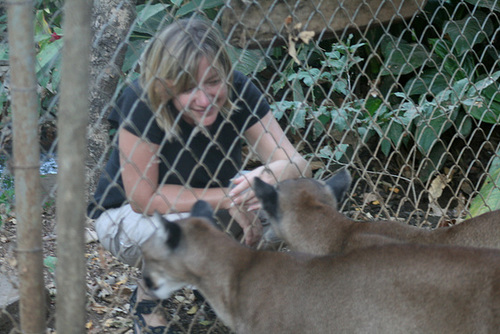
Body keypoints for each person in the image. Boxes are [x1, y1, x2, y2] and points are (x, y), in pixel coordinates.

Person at [87, 17, 311, 333]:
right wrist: (229, 198)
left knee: (292, 203)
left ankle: (217, 283)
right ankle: (146, 300)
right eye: (188, 87)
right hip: (125, 216)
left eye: (213, 81)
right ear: (165, 85)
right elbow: (143, 199)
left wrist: (271, 173)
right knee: (192, 231)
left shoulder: (240, 87)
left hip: (209, 202)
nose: (205, 100)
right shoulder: (141, 100)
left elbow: (298, 165)